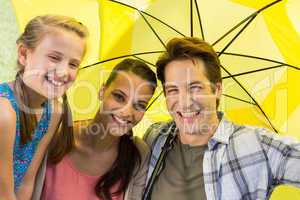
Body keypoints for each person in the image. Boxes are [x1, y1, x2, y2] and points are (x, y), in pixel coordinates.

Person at [143, 37, 300, 200]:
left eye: (195, 87)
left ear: (217, 89)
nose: (184, 102)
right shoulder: (155, 137)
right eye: (173, 90)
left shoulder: (256, 145)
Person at [39, 58, 157, 200]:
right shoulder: (55, 137)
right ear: (102, 91)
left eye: (140, 105)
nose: (126, 112)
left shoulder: (138, 156)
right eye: (119, 97)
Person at [0, 15, 88, 200]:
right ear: (24, 54)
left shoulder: (53, 112)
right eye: (54, 57)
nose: (64, 72)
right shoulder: (4, 111)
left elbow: (26, 181)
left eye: (73, 64)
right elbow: (4, 192)